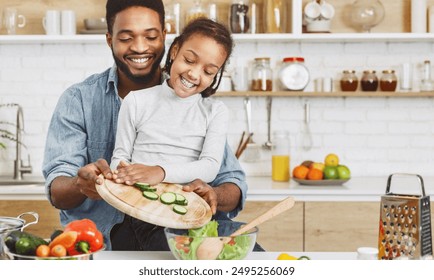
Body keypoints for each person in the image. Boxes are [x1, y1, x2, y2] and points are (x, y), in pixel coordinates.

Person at [42, 0, 252, 251]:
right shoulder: (80, 100)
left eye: (150, 36)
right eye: (126, 37)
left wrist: (212, 195)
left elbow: (232, 183)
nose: (140, 47)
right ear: (109, 39)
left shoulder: (202, 106)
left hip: (184, 232)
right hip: (104, 242)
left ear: (165, 37)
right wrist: (81, 184)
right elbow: (57, 190)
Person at [110, 18, 232, 186]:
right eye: (189, 60)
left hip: (185, 206)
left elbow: (210, 167)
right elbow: (119, 158)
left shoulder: (216, 111)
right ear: (175, 50)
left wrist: (160, 172)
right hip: (137, 202)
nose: (194, 74)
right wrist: (122, 172)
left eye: (208, 71)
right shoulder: (136, 101)